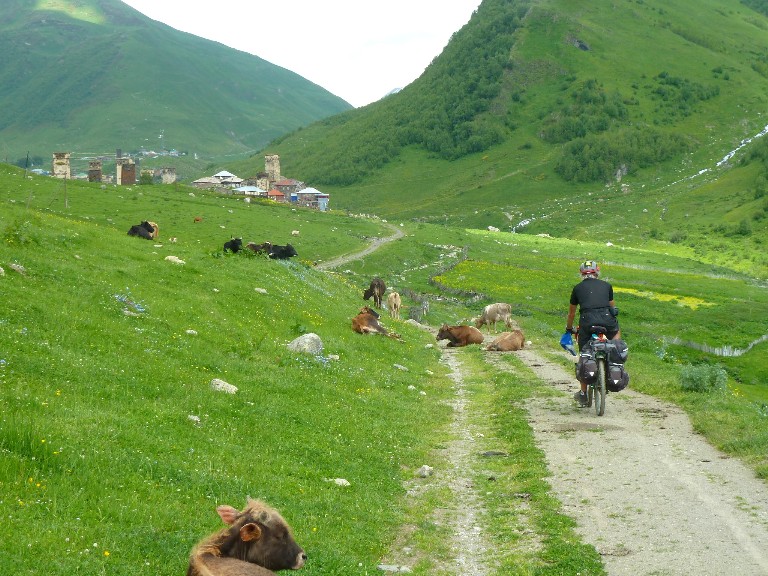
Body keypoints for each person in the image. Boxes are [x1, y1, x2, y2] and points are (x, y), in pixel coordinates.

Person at [565, 260, 621, 406]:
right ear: (597, 272)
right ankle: (615, 356)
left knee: (585, 353)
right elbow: (612, 308)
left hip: (587, 321)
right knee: (616, 333)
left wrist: (569, 329)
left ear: (581, 273)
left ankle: (583, 393)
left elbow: (571, 313)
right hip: (607, 320)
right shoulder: (607, 286)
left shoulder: (577, 288)